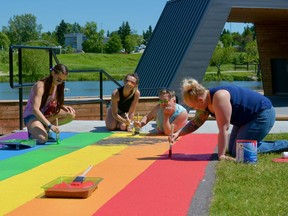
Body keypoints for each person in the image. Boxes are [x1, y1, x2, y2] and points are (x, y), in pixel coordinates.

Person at [171, 78, 288, 161]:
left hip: (262, 114)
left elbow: (224, 128)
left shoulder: (219, 97)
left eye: (194, 106)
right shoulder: (205, 102)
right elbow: (196, 122)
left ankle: (285, 144)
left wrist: (221, 155)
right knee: (234, 150)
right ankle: (256, 144)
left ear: (200, 100)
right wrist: (178, 133)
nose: (194, 109)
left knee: (239, 151)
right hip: (245, 119)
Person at [23, 64, 76, 144]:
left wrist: (62, 106)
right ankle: (33, 132)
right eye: (59, 79)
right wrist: (50, 126)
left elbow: (50, 101)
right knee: (42, 139)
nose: (60, 82)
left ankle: (44, 129)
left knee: (70, 115)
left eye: (62, 80)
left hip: (44, 114)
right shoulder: (41, 86)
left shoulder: (56, 85)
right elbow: (35, 109)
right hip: (32, 116)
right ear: (53, 73)